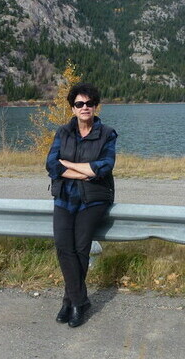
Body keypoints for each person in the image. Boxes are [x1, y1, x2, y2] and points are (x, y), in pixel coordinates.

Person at [45, 82, 118, 328]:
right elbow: (52, 165)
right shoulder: (62, 132)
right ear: (73, 108)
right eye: (79, 104)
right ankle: (78, 301)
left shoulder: (107, 133)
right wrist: (81, 172)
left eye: (89, 103)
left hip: (94, 198)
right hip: (65, 196)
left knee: (79, 247)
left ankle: (72, 302)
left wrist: (70, 165)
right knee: (63, 246)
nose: (84, 107)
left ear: (95, 106)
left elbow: (103, 167)